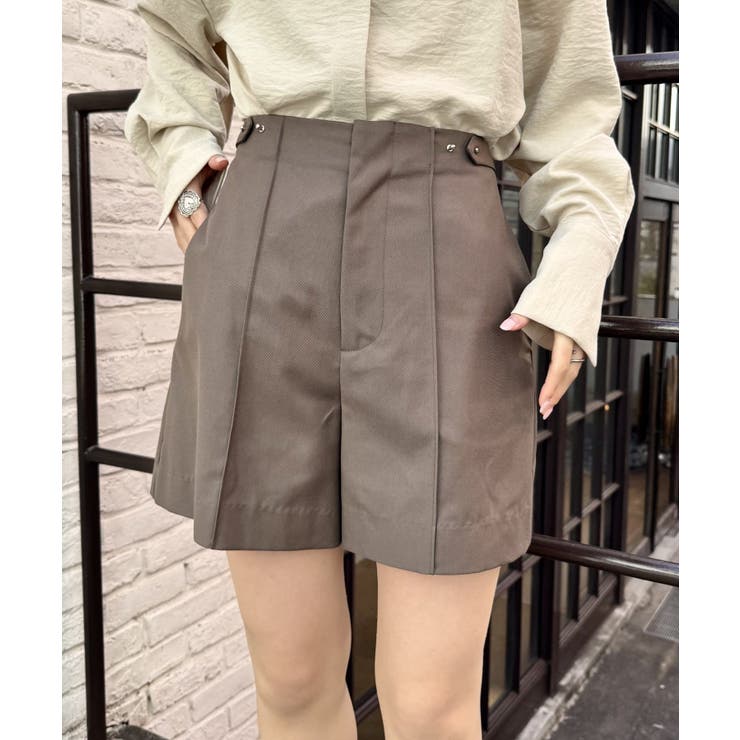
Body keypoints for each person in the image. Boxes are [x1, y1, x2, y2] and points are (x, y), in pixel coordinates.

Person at [124, 1, 635, 737]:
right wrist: (182, 167)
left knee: (432, 707)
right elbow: (175, 35)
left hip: (448, 242)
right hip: (264, 237)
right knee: (291, 678)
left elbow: (571, 109)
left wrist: (578, 259)